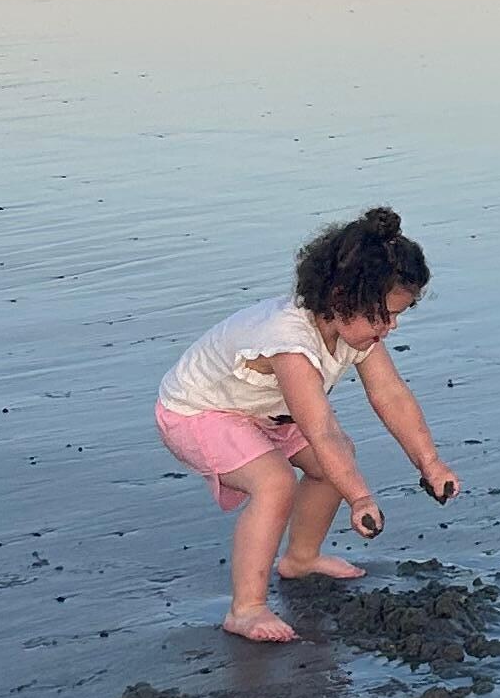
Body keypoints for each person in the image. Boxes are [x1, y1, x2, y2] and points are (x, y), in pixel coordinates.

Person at [154, 205, 458, 642]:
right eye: (382, 315)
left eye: (397, 316)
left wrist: (430, 464)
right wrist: (360, 498)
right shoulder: (290, 343)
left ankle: (300, 557)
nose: (389, 328)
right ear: (339, 298)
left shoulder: (356, 333)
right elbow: (320, 428)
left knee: (333, 461)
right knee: (276, 481)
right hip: (197, 411)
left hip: (267, 414)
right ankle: (246, 608)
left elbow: (391, 396)